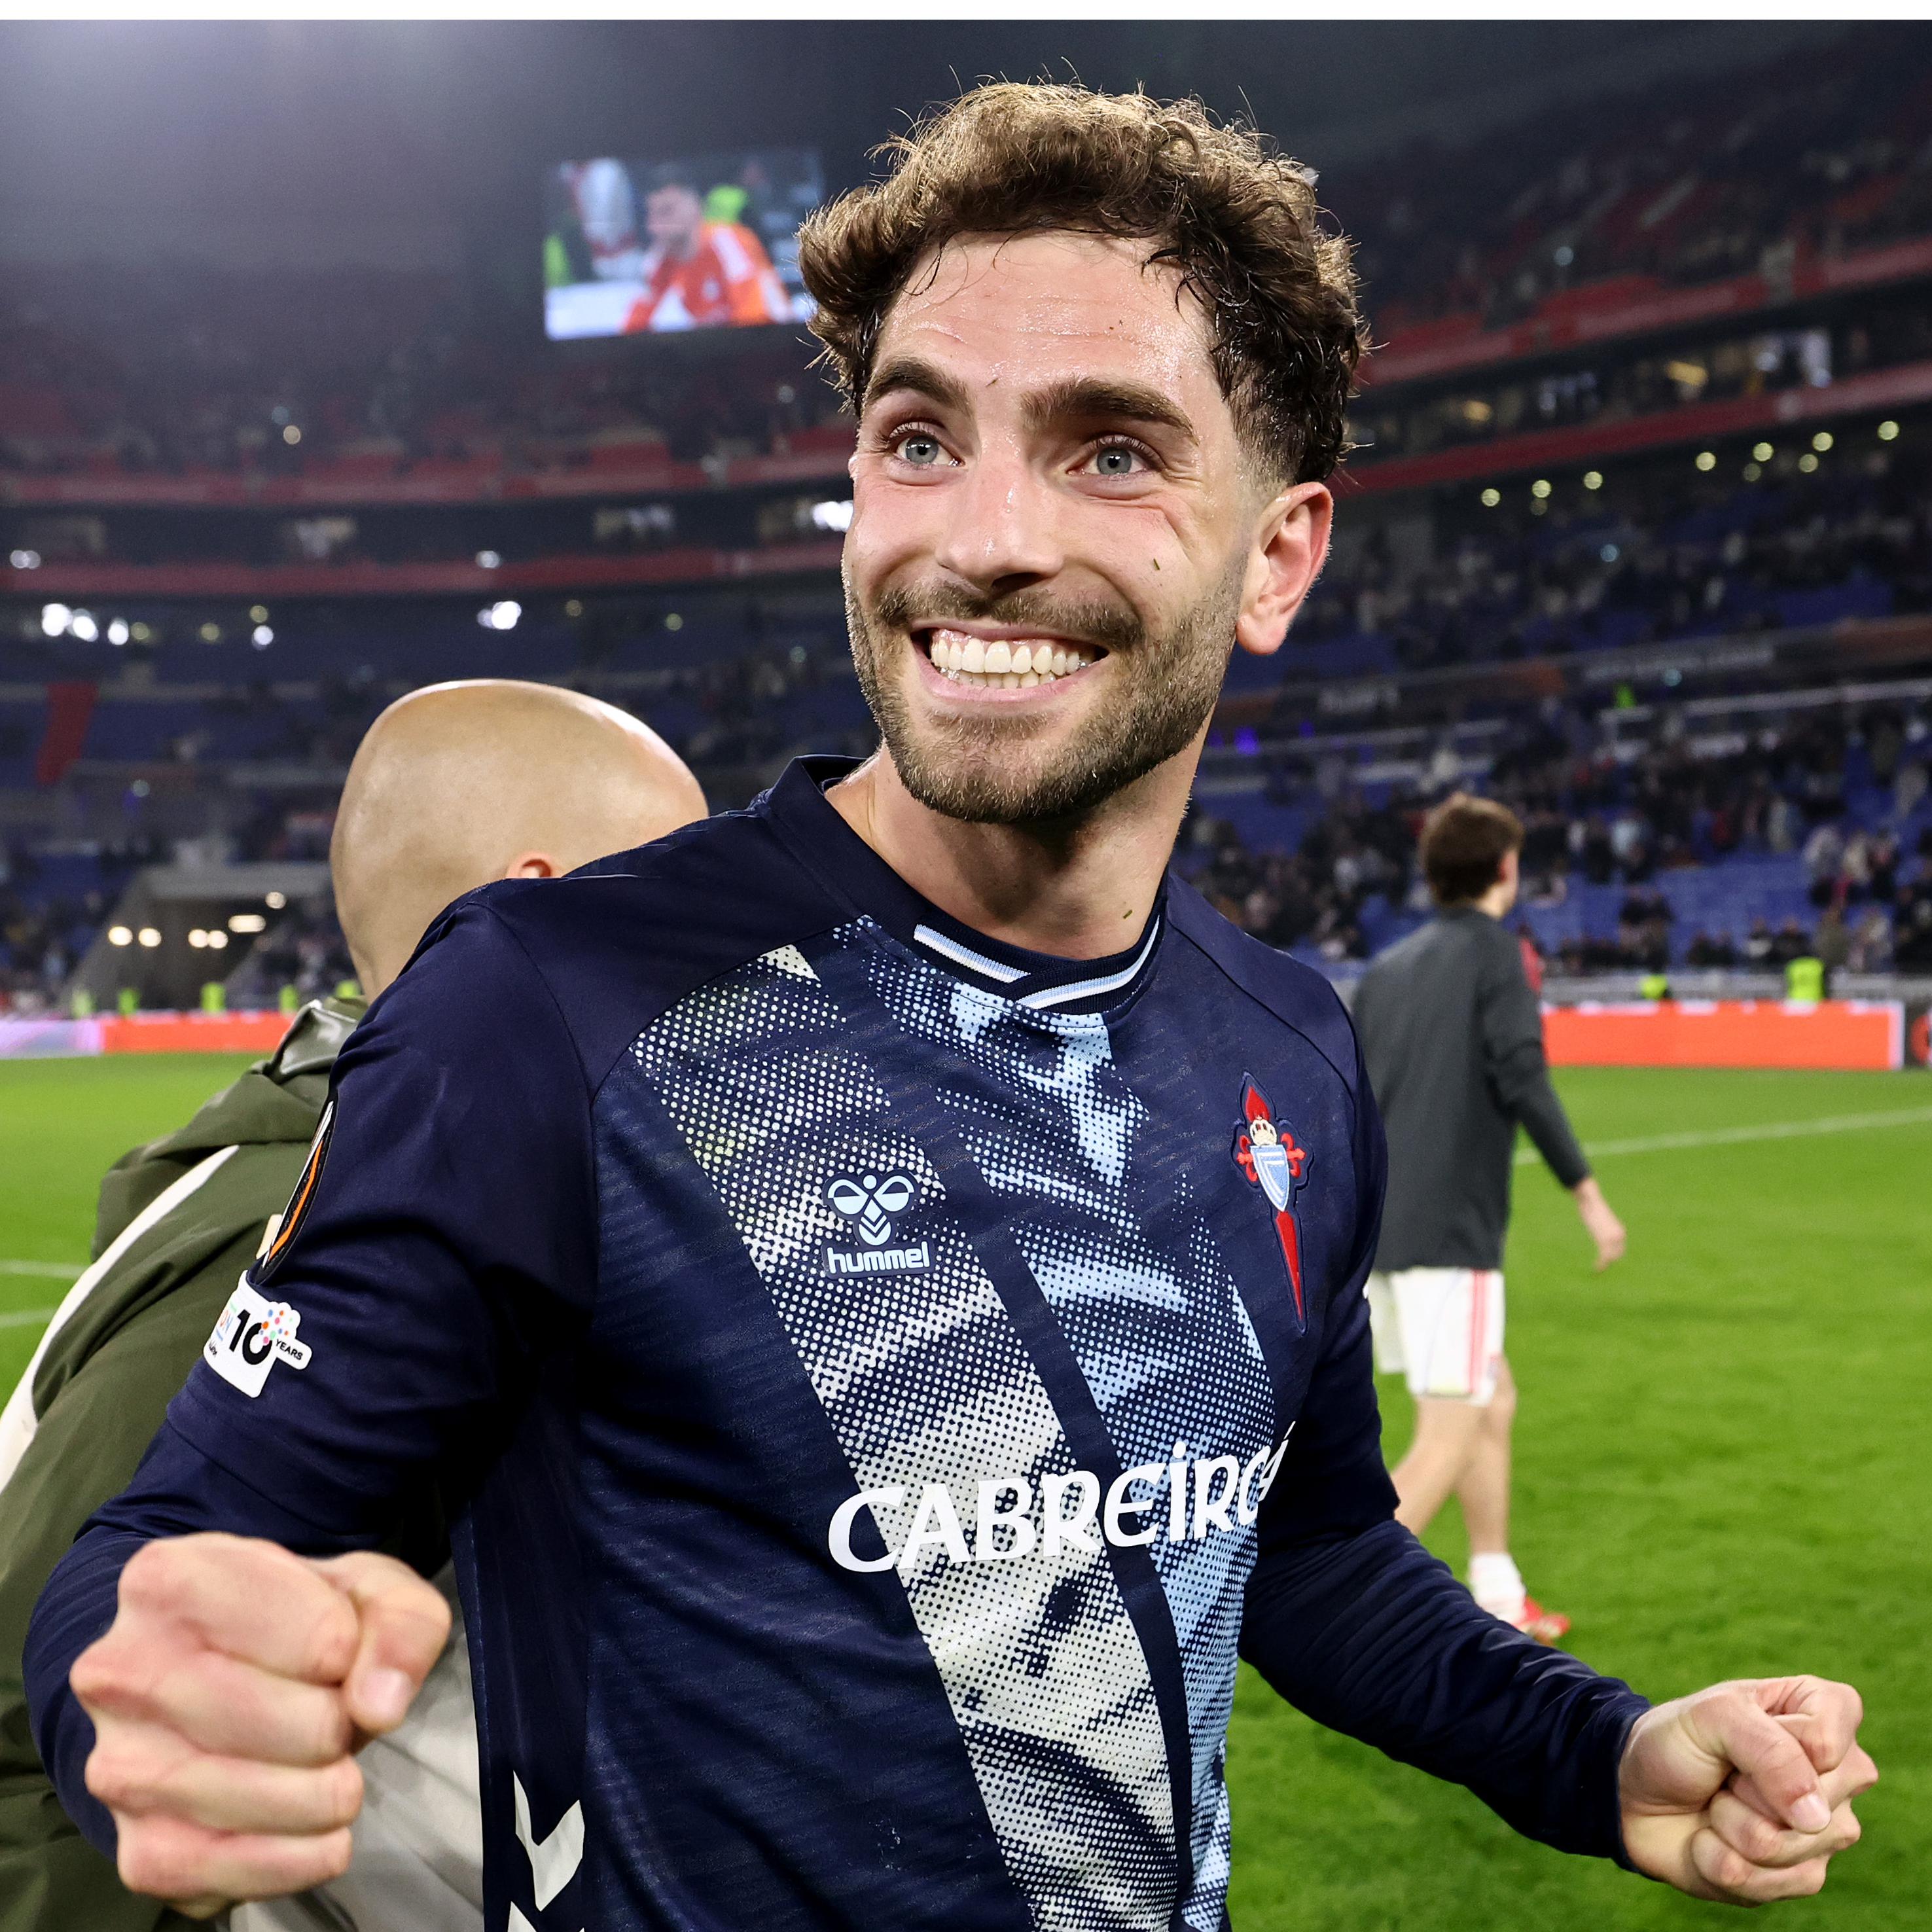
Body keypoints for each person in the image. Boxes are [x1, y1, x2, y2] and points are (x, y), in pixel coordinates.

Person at [27, 86, 1872, 1932]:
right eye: (919, 438)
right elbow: (165, 1559)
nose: (982, 536)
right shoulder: (548, 1008)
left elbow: (1300, 1551)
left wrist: (1600, 1751)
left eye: (1113, 451)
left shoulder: (1295, 1051)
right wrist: (167, 1688)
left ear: (1284, 553)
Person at [0, 679, 704, 1932]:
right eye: (681, 900)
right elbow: (37, 1723)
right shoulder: (338, 1242)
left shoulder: (410, 1172)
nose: (732, 954)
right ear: (526, 908)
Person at [1353, 794, 1626, 1644]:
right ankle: (1346, 1601)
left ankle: (1499, 1589)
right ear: (1505, 871)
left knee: (1491, 1397)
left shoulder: (1387, 970)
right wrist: (1587, 1193)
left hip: (1380, 1234)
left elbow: (1345, 1101)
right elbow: (1524, 1077)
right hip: (1450, 1236)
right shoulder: (1496, 956)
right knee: (1449, 1426)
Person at [624, 167, 791, 332]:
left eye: (667, 211)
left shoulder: (727, 241)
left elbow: (754, 317)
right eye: (652, 213)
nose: (656, 224)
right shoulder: (663, 259)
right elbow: (634, 324)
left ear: (695, 207)